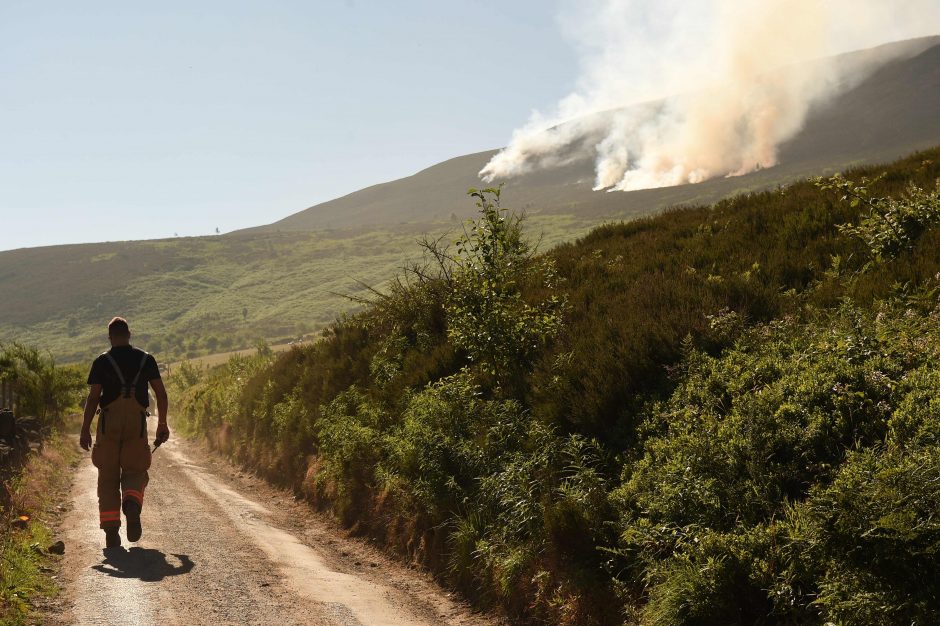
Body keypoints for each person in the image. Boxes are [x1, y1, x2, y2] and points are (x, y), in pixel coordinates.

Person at [80, 317, 169, 548]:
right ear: (129, 334)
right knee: (135, 470)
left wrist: (85, 429)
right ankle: (131, 505)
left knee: (108, 477)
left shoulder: (102, 361)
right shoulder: (146, 359)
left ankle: (111, 532)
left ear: (110, 337)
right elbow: (161, 394)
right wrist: (162, 424)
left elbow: (93, 398)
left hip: (108, 424)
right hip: (136, 425)